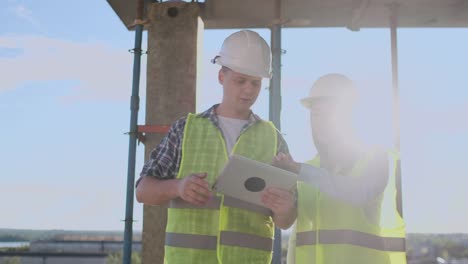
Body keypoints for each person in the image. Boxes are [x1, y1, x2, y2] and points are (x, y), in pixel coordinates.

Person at [136, 30, 296, 264]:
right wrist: (178, 187)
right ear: (222, 76)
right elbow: (142, 190)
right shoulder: (186, 130)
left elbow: (285, 221)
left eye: (255, 83)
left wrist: (285, 209)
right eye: (240, 81)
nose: (248, 90)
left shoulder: (273, 139)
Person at [273, 74, 407, 264]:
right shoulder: (307, 169)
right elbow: (286, 222)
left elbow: (360, 192)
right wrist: (282, 207)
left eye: (330, 114)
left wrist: (299, 170)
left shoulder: (375, 158)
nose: (321, 122)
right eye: (316, 115)